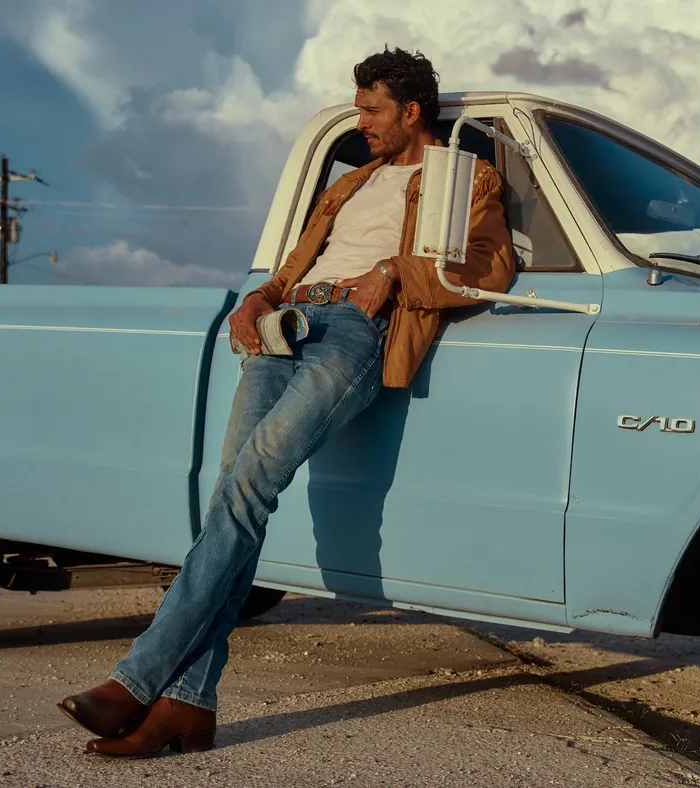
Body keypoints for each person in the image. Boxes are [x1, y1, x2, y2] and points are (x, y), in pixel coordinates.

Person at [57, 46, 515, 758]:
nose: (360, 121)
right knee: (232, 497)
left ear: (411, 111)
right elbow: (296, 263)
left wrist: (396, 271)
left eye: (371, 109)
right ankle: (188, 707)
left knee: (247, 485)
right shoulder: (353, 183)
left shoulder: (465, 177)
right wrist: (257, 298)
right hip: (284, 326)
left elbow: (490, 264)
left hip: (354, 332)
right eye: (359, 107)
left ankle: (138, 678)